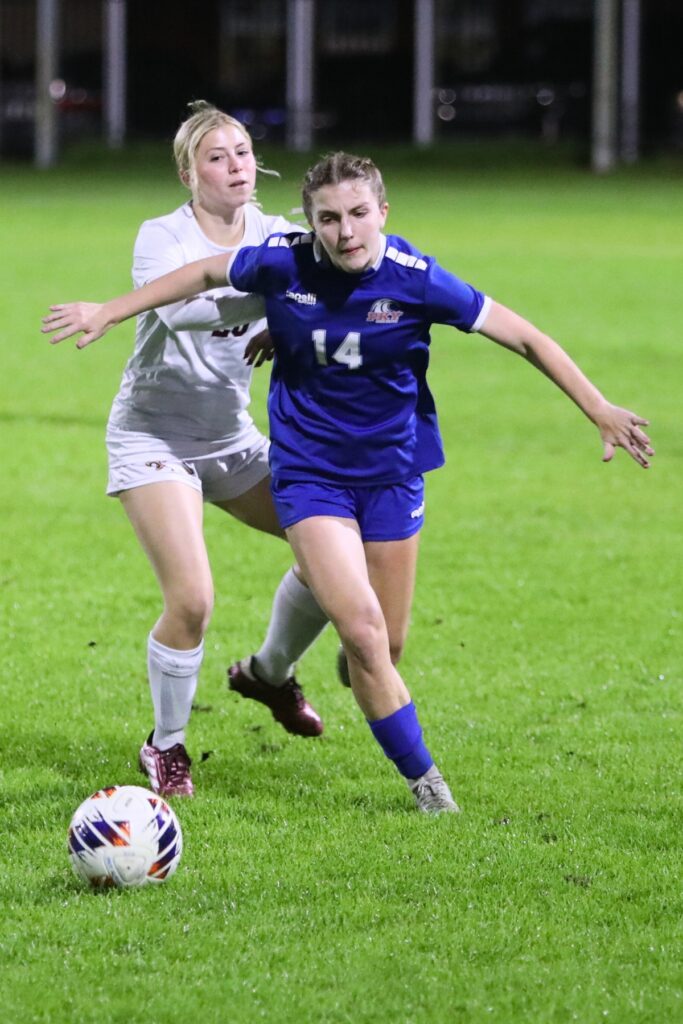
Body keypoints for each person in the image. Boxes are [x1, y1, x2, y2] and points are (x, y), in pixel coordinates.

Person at [43, 152, 654, 814]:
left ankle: (269, 674)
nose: (345, 232)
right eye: (328, 218)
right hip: (309, 475)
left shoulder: (416, 280)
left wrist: (598, 407)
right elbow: (202, 273)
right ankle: (429, 790)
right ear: (309, 223)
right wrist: (112, 309)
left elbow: (525, 337)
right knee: (361, 632)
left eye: (359, 214)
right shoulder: (285, 262)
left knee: (384, 644)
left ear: (382, 213)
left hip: (392, 474)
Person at [49, 101, 333, 799]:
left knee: (336, 555)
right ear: (188, 173)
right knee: (193, 599)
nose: (234, 165)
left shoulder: (280, 232)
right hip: (153, 439)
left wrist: (295, 309)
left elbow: (333, 288)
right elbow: (179, 309)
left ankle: (266, 674)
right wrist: (274, 300)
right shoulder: (163, 235)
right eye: (216, 156)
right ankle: (166, 746)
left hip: (230, 439)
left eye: (241, 152)